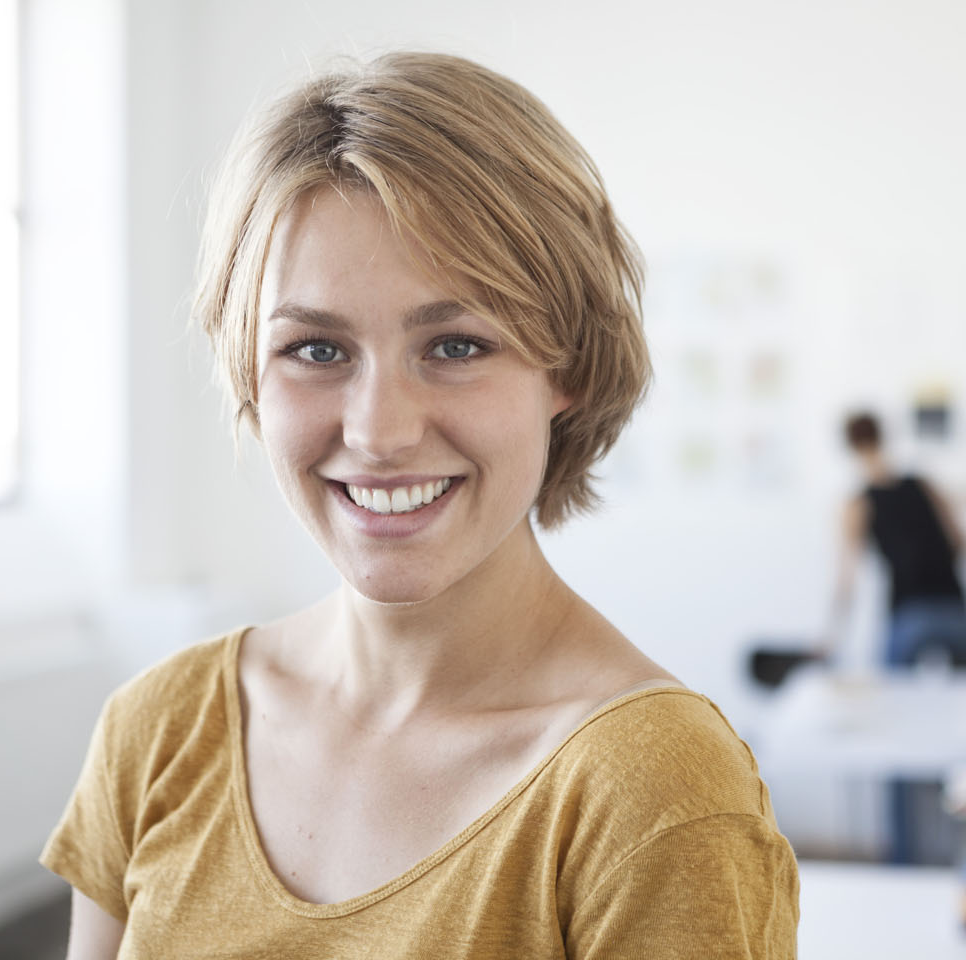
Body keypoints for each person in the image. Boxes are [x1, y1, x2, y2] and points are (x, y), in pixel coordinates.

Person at [40, 51, 799, 959]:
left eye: (455, 345)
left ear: (564, 366)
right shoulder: (159, 728)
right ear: (251, 372)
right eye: (317, 351)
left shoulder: (654, 792)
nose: (381, 431)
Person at [825, 411, 966, 670]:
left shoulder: (859, 504)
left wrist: (832, 636)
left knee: (891, 698)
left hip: (907, 610)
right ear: (883, 436)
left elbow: (847, 580)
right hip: (953, 603)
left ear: (850, 447)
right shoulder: (924, 484)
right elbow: (963, 543)